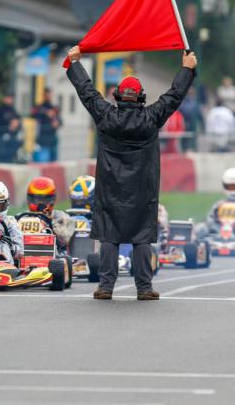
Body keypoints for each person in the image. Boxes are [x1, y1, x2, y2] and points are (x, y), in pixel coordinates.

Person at [66, 45, 197, 301]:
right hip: (142, 189)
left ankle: (105, 287)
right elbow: (174, 95)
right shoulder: (151, 118)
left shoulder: (105, 115)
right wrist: (187, 69)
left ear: (117, 96)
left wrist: (75, 63)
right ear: (141, 98)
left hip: (110, 187)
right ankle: (144, 288)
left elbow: (87, 92)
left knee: (109, 235)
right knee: (141, 236)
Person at [23, 177, 75, 251]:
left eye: (44, 199)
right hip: (25, 252)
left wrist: (49, 223)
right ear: (30, 199)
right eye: (37, 199)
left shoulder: (61, 218)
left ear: (52, 199)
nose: (40, 203)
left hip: (55, 254)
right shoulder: (22, 217)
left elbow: (64, 240)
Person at [32, 88, 62, 162]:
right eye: (47, 94)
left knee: (53, 161)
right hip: (43, 138)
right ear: (43, 95)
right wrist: (45, 113)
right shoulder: (39, 107)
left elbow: (60, 121)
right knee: (43, 160)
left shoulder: (54, 108)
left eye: (50, 94)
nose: (48, 96)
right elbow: (33, 115)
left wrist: (57, 123)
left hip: (52, 137)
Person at [0, 94, 22, 163]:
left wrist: (16, 123)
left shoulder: (13, 110)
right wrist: (8, 126)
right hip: (2, 136)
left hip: (12, 137)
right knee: (3, 155)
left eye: (11, 98)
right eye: (8, 98)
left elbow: (18, 120)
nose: (10, 100)